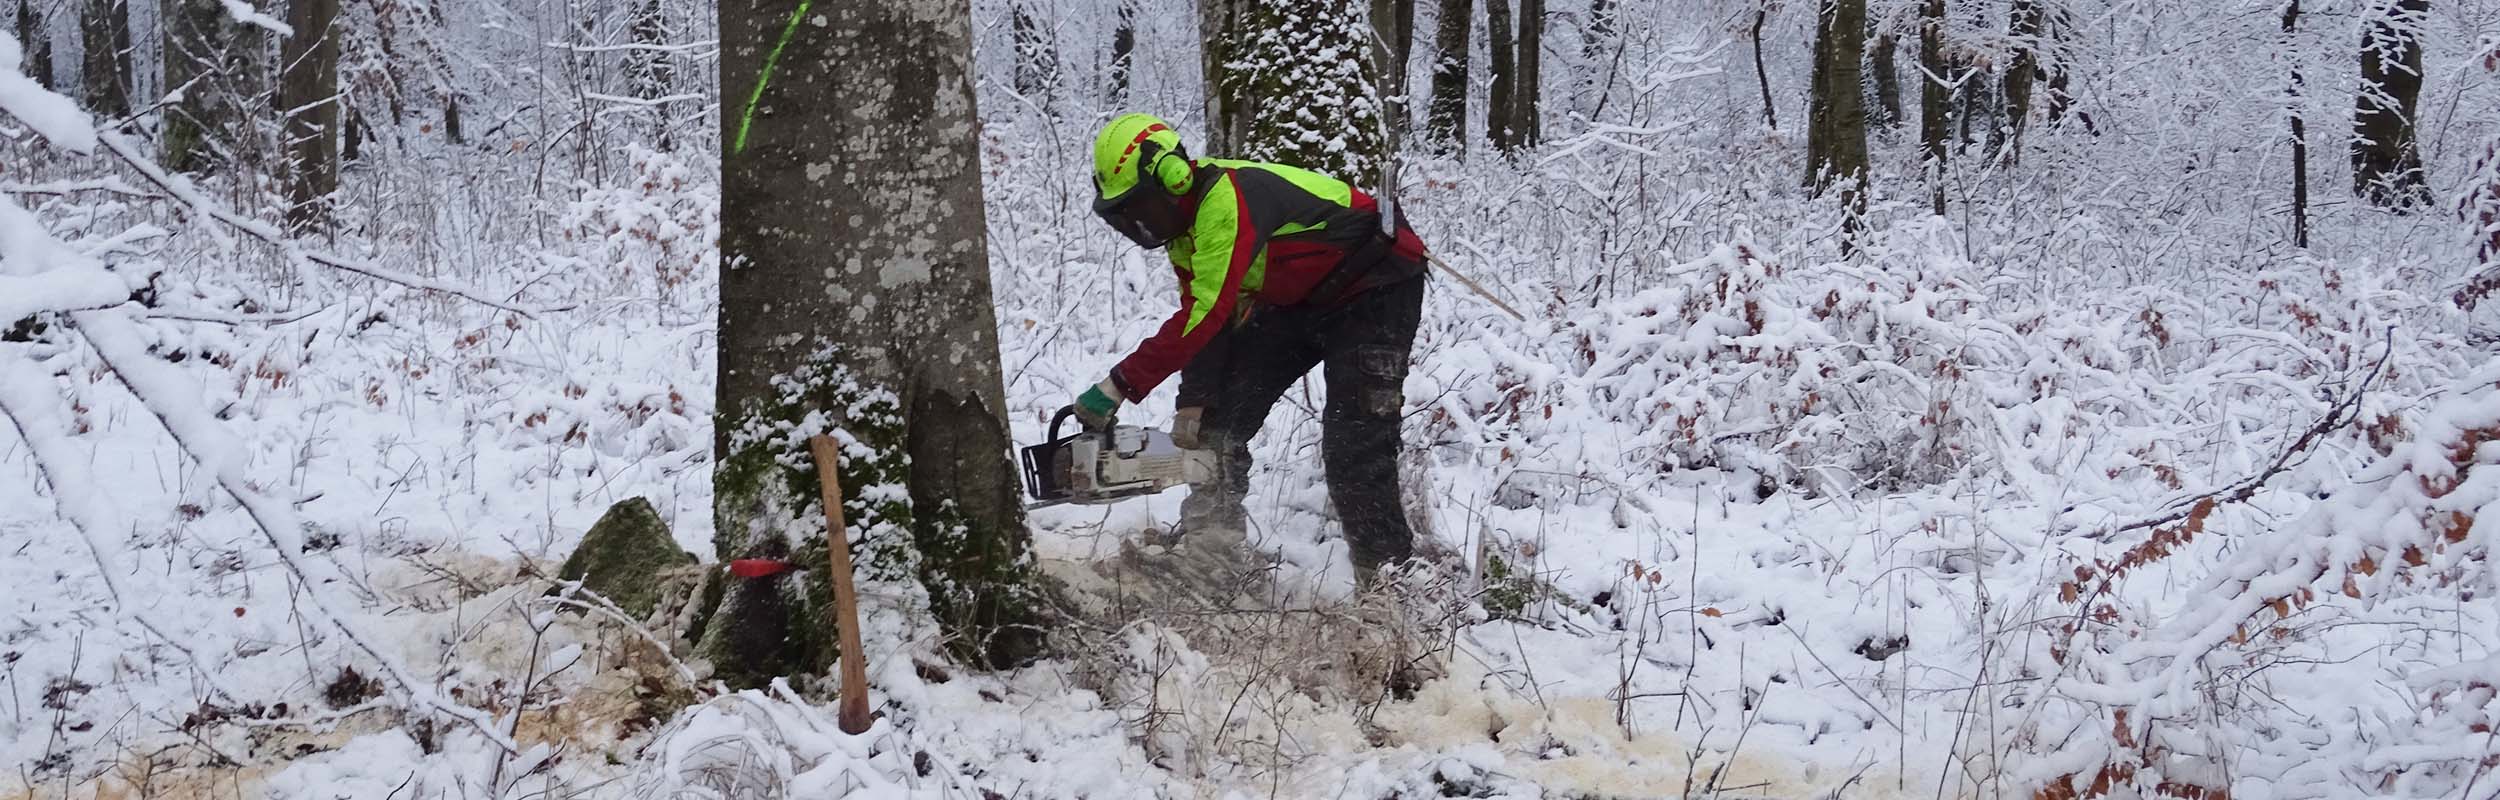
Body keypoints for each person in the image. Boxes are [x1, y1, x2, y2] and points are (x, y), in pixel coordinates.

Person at [1073, 112, 1430, 580]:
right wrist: (1196, 402)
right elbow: (1207, 319)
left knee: (1353, 441)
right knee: (1222, 418)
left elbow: (1205, 314)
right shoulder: (1183, 234)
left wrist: (1118, 385)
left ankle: (1389, 580)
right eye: (1125, 217)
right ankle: (1210, 551)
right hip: (1300, 295)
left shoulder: (1225, 202)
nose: (1140, 224)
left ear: (1173, 179)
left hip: (1375, 284)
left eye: (1141, 209)